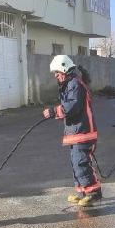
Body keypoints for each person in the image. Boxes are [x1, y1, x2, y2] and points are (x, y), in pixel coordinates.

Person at [43, 55, 102, 207]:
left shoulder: (75, 84)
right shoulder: (70, 84)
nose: (55, 75)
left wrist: (54, 111)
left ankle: (93, 193)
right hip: (76, 133)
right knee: (76, 163)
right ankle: (82, 192)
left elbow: (72, 107)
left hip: (83, 133)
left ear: (64, 68)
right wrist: (57, 113)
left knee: (81, 163)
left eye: (57, 72)